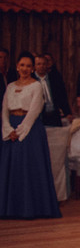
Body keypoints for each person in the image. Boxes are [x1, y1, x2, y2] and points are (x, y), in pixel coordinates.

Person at [1, 51, 62, 218]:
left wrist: (20, 131)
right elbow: (4, 110)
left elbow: (35, 110)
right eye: (22, 65)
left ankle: (31, 209)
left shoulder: (36, 86)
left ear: (33, 68)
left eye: (28, 66)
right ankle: (10, 209)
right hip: (10, 130)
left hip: (30, 130)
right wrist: (8, 130)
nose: (25, 69)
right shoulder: (10, 87)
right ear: (17, 67)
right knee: (11, 169)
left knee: (29, 169)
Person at [34, 53, 71, 127]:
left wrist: (68, 113)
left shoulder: (54, 78)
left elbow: (62, 96)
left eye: (44, 64)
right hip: (39, 117)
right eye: (39, 64)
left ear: (47, 65)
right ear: (34, 66)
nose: (41, 66)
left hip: (54, 116)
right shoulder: (31, 80)